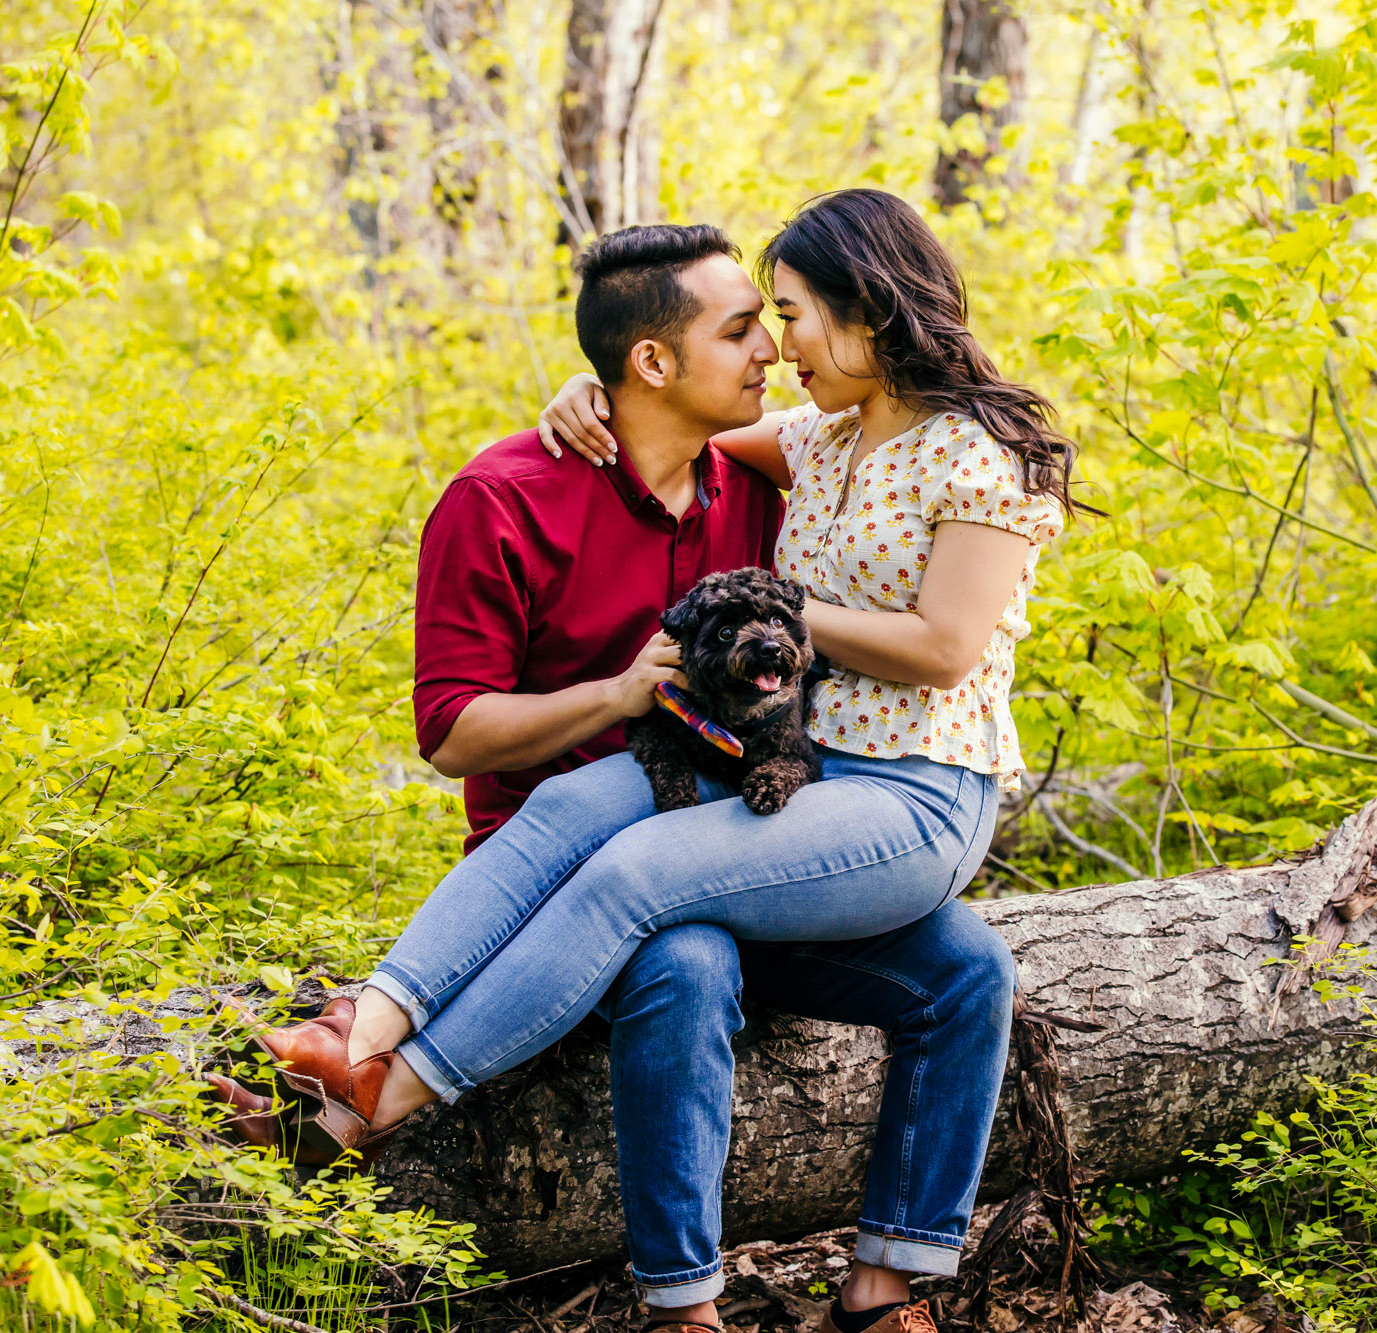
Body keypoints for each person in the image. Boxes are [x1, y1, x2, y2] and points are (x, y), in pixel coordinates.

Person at [214, 193, 1079, 1333]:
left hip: (911, 795)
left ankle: (382, 1094)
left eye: (792, 317)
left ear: (871, 311)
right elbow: (671, 421)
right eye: (757, 323)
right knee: (600, 806)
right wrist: (590, 395)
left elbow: (945, 646)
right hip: (780, 772)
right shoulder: (815, 437)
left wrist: (784, 610)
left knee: (643, 874)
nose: (776, 345)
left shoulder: (981, 455)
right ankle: (362, 1028)